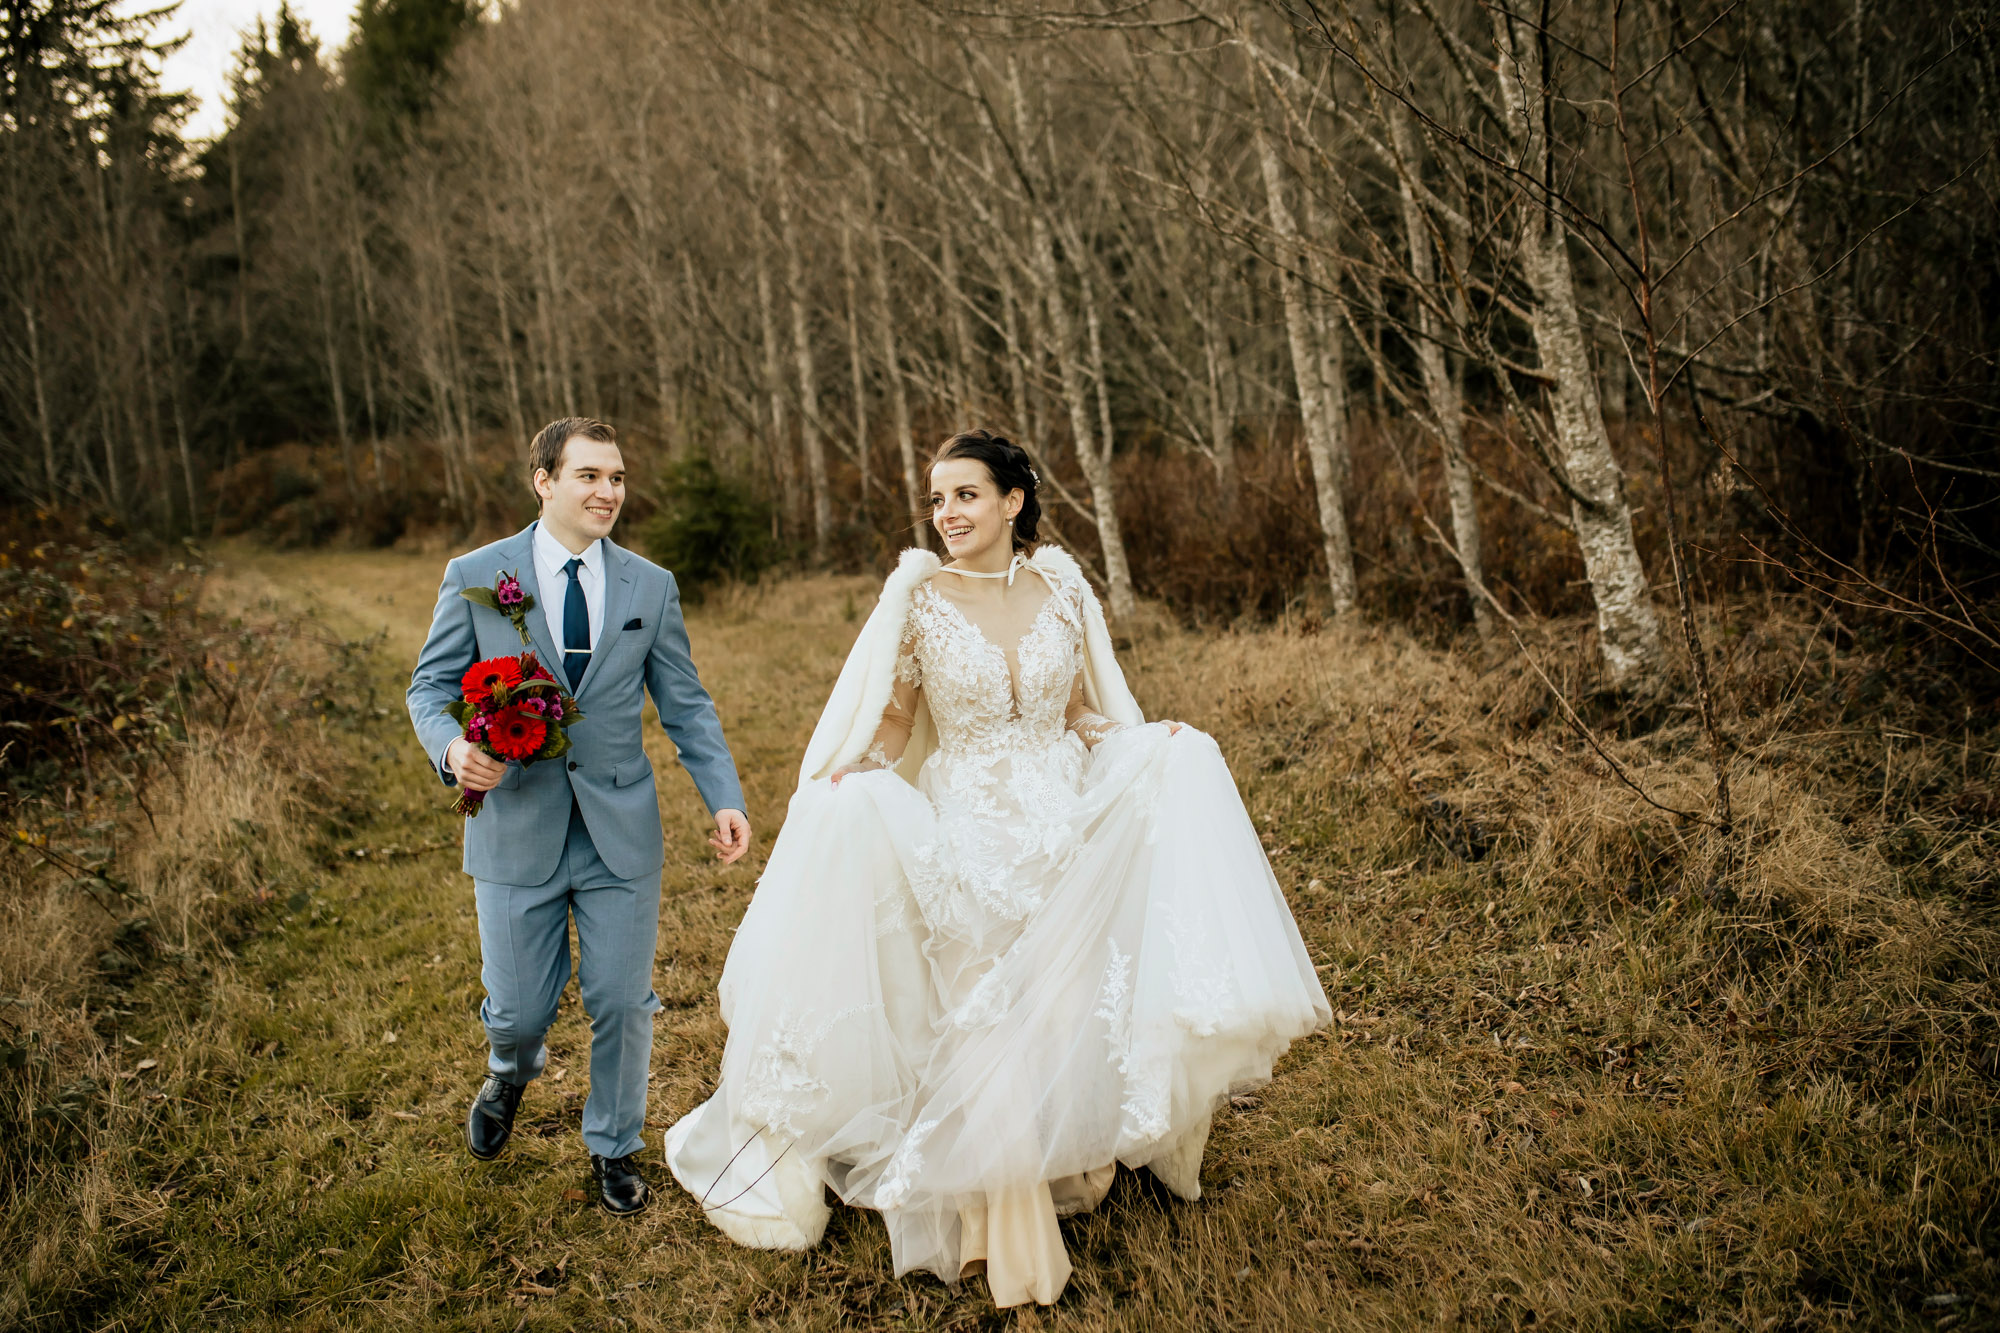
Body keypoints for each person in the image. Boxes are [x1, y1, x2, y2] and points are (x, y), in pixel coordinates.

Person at [664, 428, 1328, 1305]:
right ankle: (1006, 1228)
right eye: (937, 499)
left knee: (1060, 1003)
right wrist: (858, 770)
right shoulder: (919, 598)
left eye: (965, 495)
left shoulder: (1062, 588)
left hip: (1062, 818)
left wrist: (1141, 743)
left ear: (1013, 501)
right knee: (986, 1014)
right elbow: (897, 722)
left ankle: (1067, 1156)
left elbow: (1084, 708)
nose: (947, 514)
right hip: (969, 826)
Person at [407, 416, 752, 1216]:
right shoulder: (478, 573)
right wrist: (455, 750)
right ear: (545, 480)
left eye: (619, 478)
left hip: (619, 827)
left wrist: (724, 794)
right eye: (591, 476)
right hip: (514, 824)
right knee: (523, 1006)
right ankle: (508, 1069)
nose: (608, 492)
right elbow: (428, 689)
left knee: (622, 999)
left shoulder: (649, 584)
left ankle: (614, 1145)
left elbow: (686, 702)